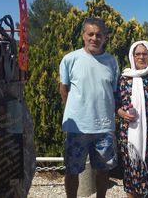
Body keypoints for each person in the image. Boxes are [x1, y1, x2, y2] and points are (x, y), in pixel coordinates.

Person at [59, 17, 119, 198]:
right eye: (90, 34)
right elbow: (64, 89)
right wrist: (77, 110)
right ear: (83, 35)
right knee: (72, 171)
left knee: (103, 170)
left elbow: (113, 92)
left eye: (99, 35)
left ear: (105, 37)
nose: (94, 38)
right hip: (77, 127)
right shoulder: (70, 59)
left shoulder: (111, 61)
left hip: (104, 127)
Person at [116, 40, 148, 198]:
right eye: (138, 54)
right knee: (132, 172)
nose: (141, 57)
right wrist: (122, 114)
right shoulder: (124, 79)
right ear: (132, 56)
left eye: (145, 54)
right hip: (130, 135)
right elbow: (114, 104)